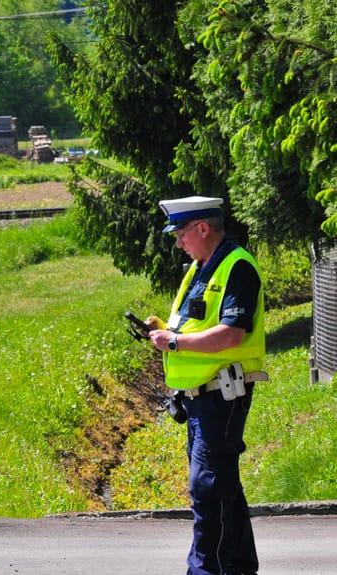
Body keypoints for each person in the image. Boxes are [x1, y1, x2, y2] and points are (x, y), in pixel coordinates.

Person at [147, 195, 266, 575]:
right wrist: (165, 333)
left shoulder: (237, 267)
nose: (178, 241)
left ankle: (205, 572)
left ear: (202, 228)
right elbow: (195, 325)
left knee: (208, 489)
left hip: (221, 395)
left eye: (181, 233)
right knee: (221, 487)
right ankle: (241, 567)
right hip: (199, 398)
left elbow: (231, 334)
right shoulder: (200, 267)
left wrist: (176, 342)